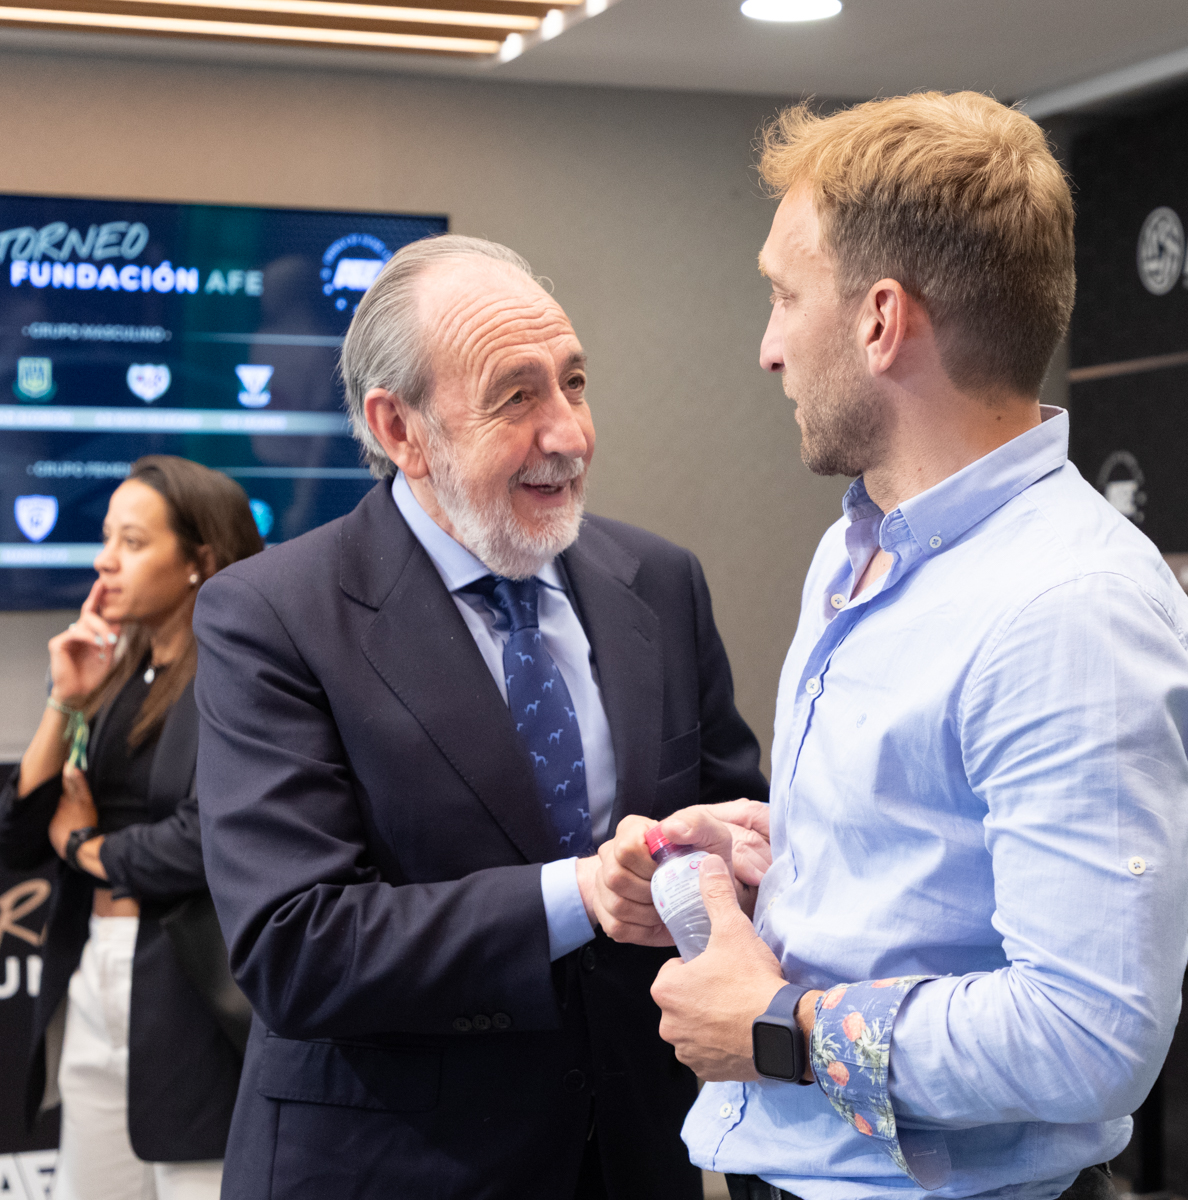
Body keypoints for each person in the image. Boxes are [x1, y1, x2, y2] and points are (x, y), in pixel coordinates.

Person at [591, 92, 1188, 1200]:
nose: (769, 348)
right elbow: (934, 870)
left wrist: (781, 1027)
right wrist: (778, 855)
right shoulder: (860, 550)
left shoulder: (1071, 609)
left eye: (785, 297)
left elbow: (1089, 1034)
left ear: (881, 320)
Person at [191, 233, 767, 1200]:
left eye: (574, 383)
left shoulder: (660, 583)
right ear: (400, 428)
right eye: (516, 397)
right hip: (388, 1170)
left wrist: (727, 858)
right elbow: (297, 945)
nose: (568, 434)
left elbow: (732, 829)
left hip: (633, 1157)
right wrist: (580, 893)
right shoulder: (273, 615)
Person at [0, 456, 264, 1200]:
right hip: (93, 977)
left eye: (133, 542)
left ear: (199, 560)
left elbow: (205, 840)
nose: (104, 561)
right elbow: (20, 837)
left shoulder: (241, 675)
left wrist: (84, 847)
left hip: (189, 996)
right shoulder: (114, 672)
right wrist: (65, 699)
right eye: (106, 538)